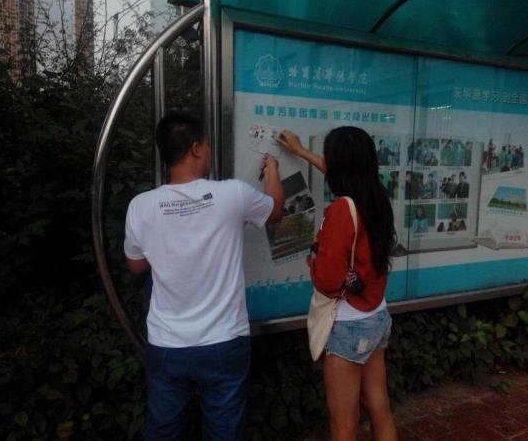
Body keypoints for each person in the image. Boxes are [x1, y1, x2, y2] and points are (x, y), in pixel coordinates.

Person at [124, 112, 284, 440]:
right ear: (196, 149)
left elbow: (136, 266)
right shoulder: (233, 194)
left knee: (163, 432)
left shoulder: (140, 206)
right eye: (208, 145)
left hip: (167, 345)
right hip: (224, 342)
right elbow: (275, 208)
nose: (209, 151)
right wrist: (272, 170)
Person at [278, 127, 398, 441]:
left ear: (339, 165)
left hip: (348, 325)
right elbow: (338, 173)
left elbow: (329, 281)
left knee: (343, 425)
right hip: (376, 316)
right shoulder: (376, 195)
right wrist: (301, 151)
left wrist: (313, 257)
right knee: (380, 407)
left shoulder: (341, 211)